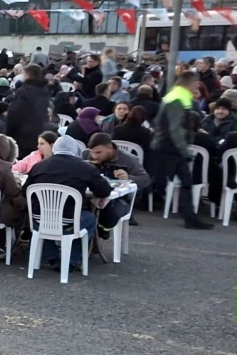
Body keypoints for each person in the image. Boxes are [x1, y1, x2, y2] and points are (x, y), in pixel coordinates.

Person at [27, 135, 113, 268]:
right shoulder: (85, 168)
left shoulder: (38, 167)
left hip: (39, 219)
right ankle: (72, 259)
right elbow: (104, 191)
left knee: (49, 215)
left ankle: (52, 257)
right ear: (75, 150)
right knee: (90, 218)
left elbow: (25, 191)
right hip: (70, 220)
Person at [151, 69, 213, 229]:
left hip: (166, 144)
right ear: (189, 83)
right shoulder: (179, 98)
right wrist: (184, 150)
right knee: (183, 181)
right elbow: (175, 128)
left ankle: (190, 217)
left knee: (184, 181)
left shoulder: (175, 95)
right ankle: (190, 218)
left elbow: (160, 121)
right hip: (172, 146)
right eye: (195, 83)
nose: (196, 87)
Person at [86, 132, 150, 233]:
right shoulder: (85, 155)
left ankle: (101, 233)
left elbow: (145, 179)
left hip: (119, 199)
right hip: (91, 196)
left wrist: (129, 177)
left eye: (98, 153)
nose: (94, 156)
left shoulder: (129, 159)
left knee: (108, 213)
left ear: (110, 148)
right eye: (92, 152)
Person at [7, 64, 53, 156]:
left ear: (27, 74)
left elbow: (14, 113)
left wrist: (9, 134)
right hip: (40, 132)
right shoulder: (44, 91)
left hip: (23, 135)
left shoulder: (23, 91)